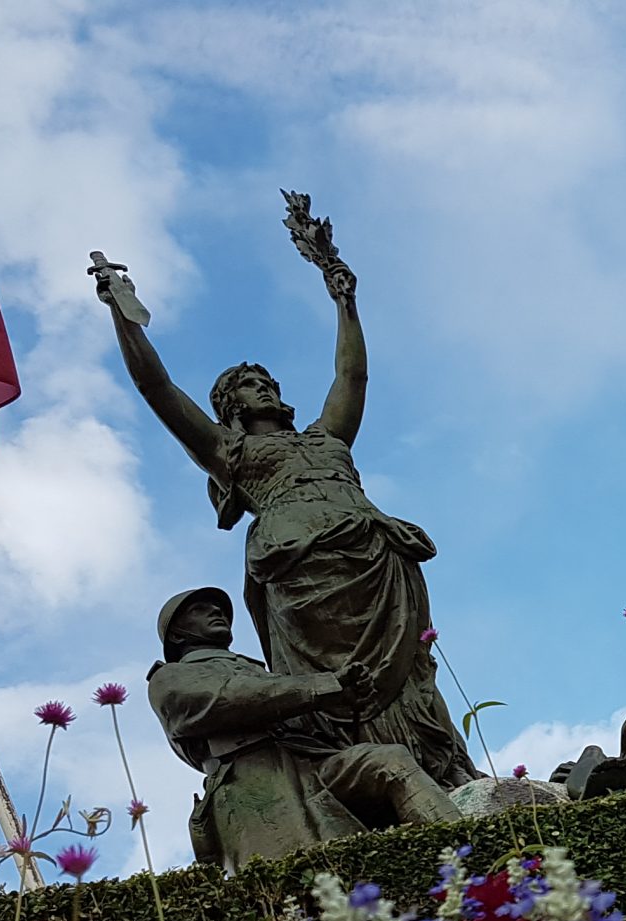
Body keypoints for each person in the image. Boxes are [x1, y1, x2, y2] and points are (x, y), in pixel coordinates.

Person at [98, 212, 478, 788]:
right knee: (338, 683)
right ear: (230, 406)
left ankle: (439, 772)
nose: (267, 387)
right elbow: (158, 388)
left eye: (269, 380)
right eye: (251, 384)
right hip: (303, 575)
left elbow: (352, 378)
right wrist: (124, 317)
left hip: (376, 562)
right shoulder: (229, 452)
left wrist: (343, 299)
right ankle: (365, 781)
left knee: (412, 677)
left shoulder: (327, 438)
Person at [147, 588, 459, 870]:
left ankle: (469, 850)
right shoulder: (171, 677)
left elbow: (294, 707)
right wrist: (324, 687)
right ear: (177, 635)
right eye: (199, 610)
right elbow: (228, 699)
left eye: (217, 608)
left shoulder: (257, 670)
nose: (216, 612)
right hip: (253, 784)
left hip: (312, 765)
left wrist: (348, 696)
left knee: (390, 761)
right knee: (305, 885)